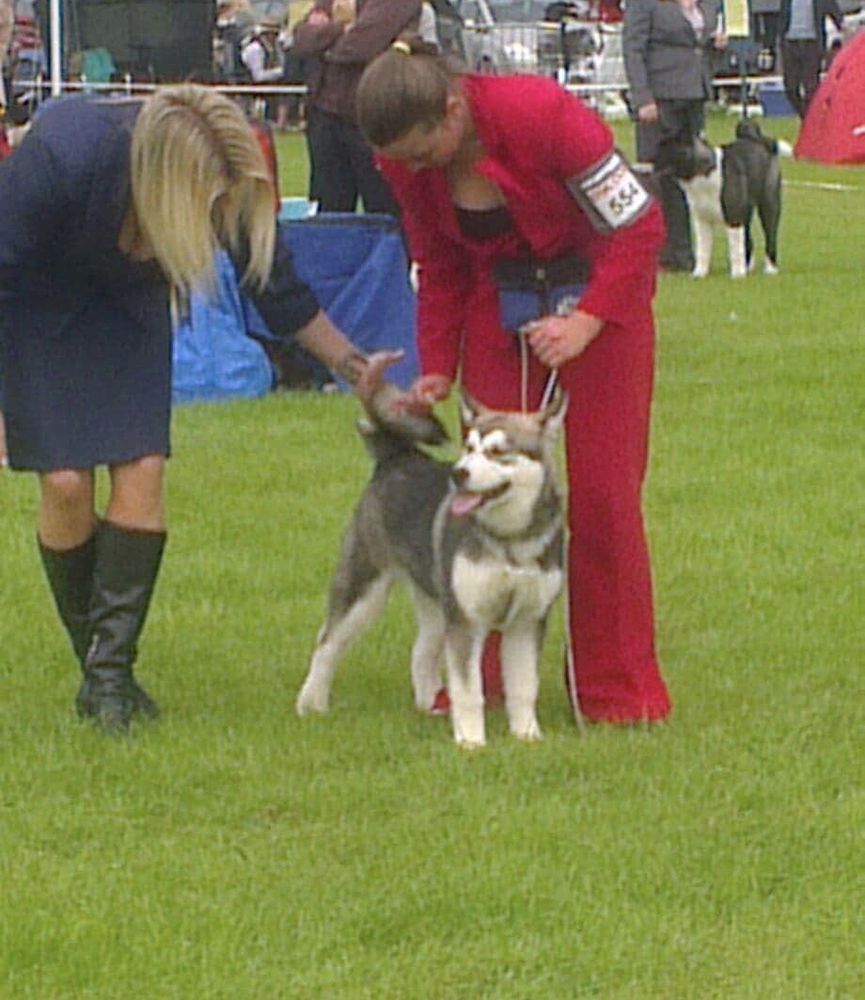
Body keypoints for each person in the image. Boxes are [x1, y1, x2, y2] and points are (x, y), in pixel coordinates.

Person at [0, 84, 399, 732]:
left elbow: (277, 287)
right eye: (205, 208)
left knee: (142, 467)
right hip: (38, 302)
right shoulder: (65, 152)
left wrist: (355, 369)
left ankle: (107, 685)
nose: (215, 218)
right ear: (165, 185)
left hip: (127, 309)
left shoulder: (218, 173)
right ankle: (101, 670)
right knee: (66, 480)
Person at [355, 40, 673, 725]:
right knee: (486, 498)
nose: (410, 170)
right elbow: (437, 261)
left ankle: (618, 692)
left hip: (598, 309)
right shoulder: (404, 162)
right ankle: (480, 680)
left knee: (601, 499)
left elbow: (639, 226)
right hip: (497, 315)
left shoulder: (546, 117)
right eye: (398, 160)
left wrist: (587, 321)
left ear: (451, 109)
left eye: (420, 152)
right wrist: (437, 362)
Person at [622, 0, 726, 272]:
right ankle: (663, 253)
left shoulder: (709, 4)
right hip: (660, 97)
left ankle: (687, 253)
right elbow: (633, 49)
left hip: (694, 94)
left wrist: (717, 48)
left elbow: (701, 48)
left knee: (692, 178)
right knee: (659, 177)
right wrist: (642, 98)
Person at [292, 0, 421, 213]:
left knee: (384, 212)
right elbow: (301, 41)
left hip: (375, 120)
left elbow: (359, 46)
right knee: (329, 215)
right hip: (324, 117)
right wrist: (342, 28)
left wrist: (325, 40)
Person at [779, 0, 843, 118]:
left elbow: (835, 12)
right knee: (790, 87)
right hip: (790, 43)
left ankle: (812, 119)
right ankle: (807, 117)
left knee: (811, 87)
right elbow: (782, 16)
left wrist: (842, 28)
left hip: (812, 44)